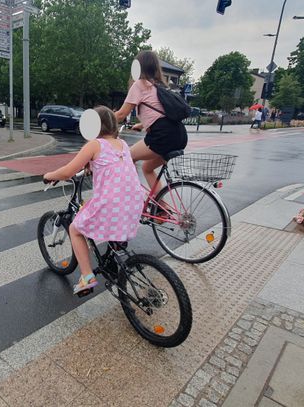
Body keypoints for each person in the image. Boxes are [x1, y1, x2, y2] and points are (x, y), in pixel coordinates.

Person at [43, 106, 143, 295]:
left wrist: (49, 175)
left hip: (111, 203)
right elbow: (111, 164)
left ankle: (87, 277)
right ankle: (113, 260)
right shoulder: (122, 144)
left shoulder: (94, 145)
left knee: (75, 229)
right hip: (134, 202)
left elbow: (67, 172)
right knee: (104, 212)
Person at [114, 50, 188, 195]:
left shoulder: (139, 85)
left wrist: (100, 122)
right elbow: (162, 114)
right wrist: (141, 125)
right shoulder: (159, 86)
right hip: (179, 135)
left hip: (162, 136)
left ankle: (131, 196)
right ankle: (161, 209)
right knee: (147, 168)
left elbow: (122, 114)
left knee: (128, 156)